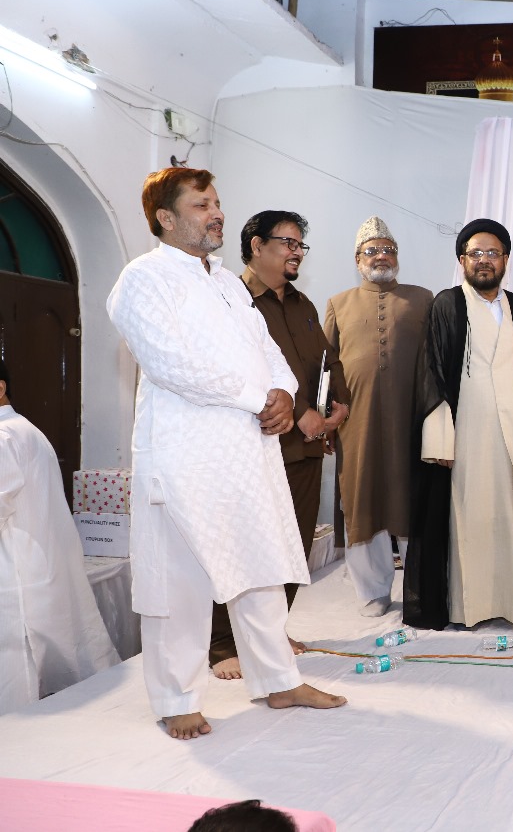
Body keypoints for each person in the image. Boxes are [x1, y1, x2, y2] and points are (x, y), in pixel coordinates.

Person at [107, 168, 346, 739]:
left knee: (262, 568)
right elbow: (170, 364)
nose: (216, 213)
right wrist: (256, 397)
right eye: (201, 205)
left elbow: (268, 348)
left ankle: (278, 680)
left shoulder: (228, 283)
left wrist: (283, 392)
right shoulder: (143, 279)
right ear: (166, 218)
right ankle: (176, 697)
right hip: (185, 452)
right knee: (182, 578)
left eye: (216, 202)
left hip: (247, 447)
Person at [403, 218, 513, 630]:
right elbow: (431, 371)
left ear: (506, 259)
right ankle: (468, 607)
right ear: (462, 260)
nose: (483, 260)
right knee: (469, 520)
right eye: (475, 253)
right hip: (467, 435)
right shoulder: (447, 304)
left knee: (510, 518)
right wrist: (439, 436)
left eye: (492, 253)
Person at [207, 211, 352, 680]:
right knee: (244, 545)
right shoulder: (231, 298)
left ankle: (270, 633)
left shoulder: (303, 304)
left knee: (293, 545)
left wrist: (338, 408)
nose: (296, 252)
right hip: (256, 444)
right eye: (287, 242)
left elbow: (327, 361)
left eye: (300, 245)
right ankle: (222, 645)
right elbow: (234, 369)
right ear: (255, 245)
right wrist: (300, 411)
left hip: (306, 446)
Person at [325, 216, 432, 617]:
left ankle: (420, 588)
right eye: (372, 251)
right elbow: (326, 369)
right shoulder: (338, 304)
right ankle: (372, 591)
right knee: (362, 500)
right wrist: (326, 420)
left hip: (411, 421)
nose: (381, 256)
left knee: (413, 499)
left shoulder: (423, 299)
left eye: (388, 249)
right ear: (358, 259)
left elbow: (436, 361)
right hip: (357, 425)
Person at [0, 358, 119, 715]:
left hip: (18, 568)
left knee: (18, 675)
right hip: (37, 560)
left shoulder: (4, 436)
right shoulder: (24, 430)